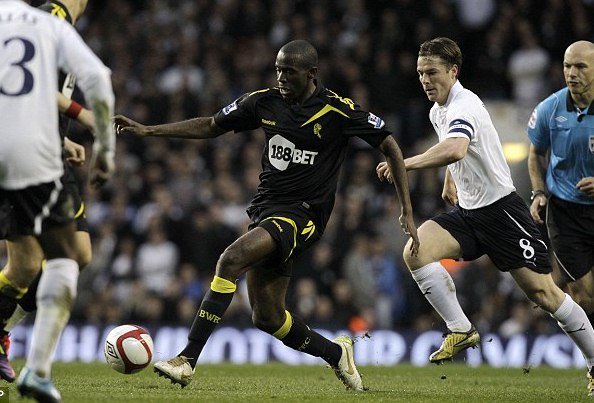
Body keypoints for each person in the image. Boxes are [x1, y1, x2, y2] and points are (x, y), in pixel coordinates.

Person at [114, 39, 418, 391]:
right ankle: (337, 354)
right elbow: (212, 125)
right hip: (266, 211)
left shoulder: (338, 110)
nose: (281, 78)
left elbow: (390, 146)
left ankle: (186, 359)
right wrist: (150, 130)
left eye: (289, 72)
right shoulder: (263, 101)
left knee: (230, 260)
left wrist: (406, 209)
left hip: (303, 216)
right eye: (278, 70)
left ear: (311, 74)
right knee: (267, 317)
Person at [376, 37, 594, 396]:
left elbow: (457, 146)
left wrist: (405, 162)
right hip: (469, 213)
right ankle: (460, 329)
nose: (425, 80)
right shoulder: (438, 110)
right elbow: (459, 150)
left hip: (502, 212)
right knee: (415, 251)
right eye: (420, 73)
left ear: (453, 71)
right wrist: (451, 176)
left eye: (432, 72)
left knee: (545, 294)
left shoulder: (466, 104)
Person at [0, 0, 115, 401]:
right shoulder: (49, 22)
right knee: (62, 257)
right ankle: (38, 369)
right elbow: (98, 77)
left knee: (40, 261)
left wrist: (66, 131)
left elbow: (23, 87)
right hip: (30, 155)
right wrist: (104, 142)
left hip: (23, 143)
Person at [527, 41, 594, 319]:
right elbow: (535, 154)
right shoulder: (549, 108)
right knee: (584, 296)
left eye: (580, 66)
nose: (571, 73)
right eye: (568, 66)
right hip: (565, 213)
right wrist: (539, 192)